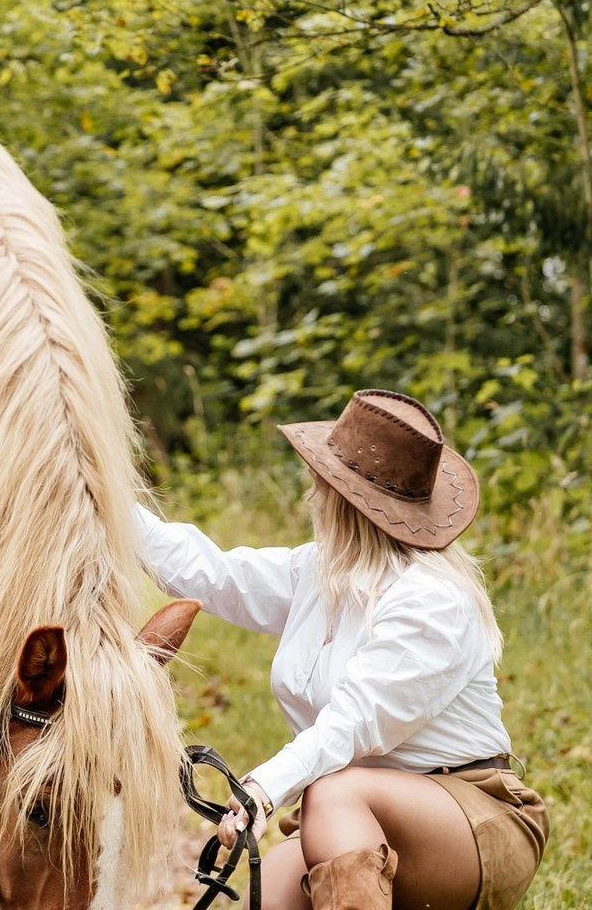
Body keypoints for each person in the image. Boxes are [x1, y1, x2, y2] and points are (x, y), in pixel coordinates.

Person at [135, 389, 548, 910]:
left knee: (336, 790)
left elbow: (352, 723)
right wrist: (95, 494)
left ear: (342, 499)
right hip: (346, 820)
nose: (312, 496)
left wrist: (264, 788)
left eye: (321, 484)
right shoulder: (322, 572)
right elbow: (214, 574)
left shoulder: (433, 601)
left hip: (469, 818)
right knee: (270, 900)